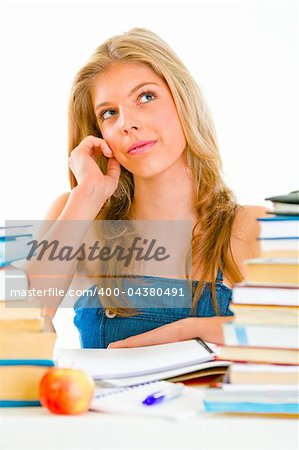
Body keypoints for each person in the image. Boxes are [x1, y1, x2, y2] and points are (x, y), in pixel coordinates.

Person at [37, 28, 267, 349]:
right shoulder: (77, 215)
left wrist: (185, 330)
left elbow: (287, 341)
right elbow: (22, 325)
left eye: (146, 97)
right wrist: (86, 197)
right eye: (109, 113)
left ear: (182, 99)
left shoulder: (255, 228)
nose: (126, 123)